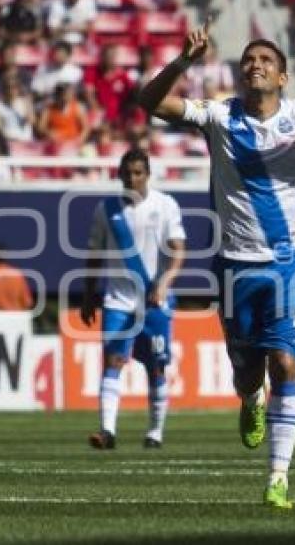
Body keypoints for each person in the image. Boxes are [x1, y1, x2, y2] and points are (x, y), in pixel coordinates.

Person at [138, 20, 295, 508]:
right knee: (248, 375)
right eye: (249, 60)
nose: (256, 65)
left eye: (266, 60)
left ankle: (278, 477)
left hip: (289, 264)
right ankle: (250, 400)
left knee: (286, 362)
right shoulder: (218, 116)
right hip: (233, 267)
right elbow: (150, 104)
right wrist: (183, 62)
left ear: (284, 77)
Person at [81, 149, 186, 451]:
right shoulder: (107, 210)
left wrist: (165, 283)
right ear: (119, 174)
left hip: (155, 301)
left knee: (156, 368)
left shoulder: (166, 205)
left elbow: (179, 249)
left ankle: (154, 432)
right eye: (127, 173)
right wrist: (89, 296)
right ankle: (107, 432)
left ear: (148, 174)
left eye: (138, 172)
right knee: (113, 361)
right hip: (117, 299)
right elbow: (95, 256)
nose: (132, 178)